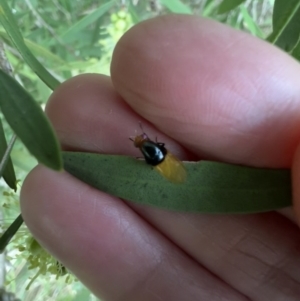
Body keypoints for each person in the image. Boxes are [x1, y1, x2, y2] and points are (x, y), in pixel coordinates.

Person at [20, 14, 300, 300]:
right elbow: (156, 152)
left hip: (162, 161)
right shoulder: (151, 149)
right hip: (161, 161)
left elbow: (155, 152)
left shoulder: (150, 149)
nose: (141, 140)